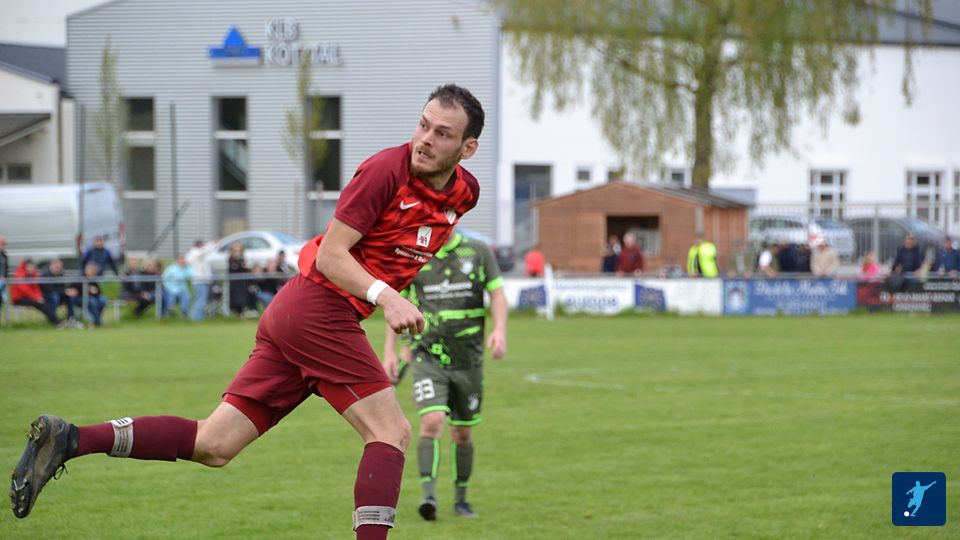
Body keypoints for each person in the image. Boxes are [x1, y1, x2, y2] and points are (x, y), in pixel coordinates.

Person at [10, 84, 484, 540]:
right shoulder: (385, 171)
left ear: (467, 148)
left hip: (299, 315)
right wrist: (387, 296)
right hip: (319, 309)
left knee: (215, 444)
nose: (425, 138)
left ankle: (72, 439)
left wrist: (394, 291)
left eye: (442, 133)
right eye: (423, 124)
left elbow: (402, 247)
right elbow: (330, 256)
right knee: (391, 431)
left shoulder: (466, 193)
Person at [381, 230, 507, 521]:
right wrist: (390, 351)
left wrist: (500, 330)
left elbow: (497, 294)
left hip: (468, 359)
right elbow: (396, 304)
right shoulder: (415, 255)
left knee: (462, 432)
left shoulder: (478, 251)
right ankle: (429, 498)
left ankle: (461, 499)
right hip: (427, 355)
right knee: (432, 420)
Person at [9, 259, 61, 326]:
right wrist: (36, 298)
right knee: (40, 304)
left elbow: (36, 288)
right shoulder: (19, 275)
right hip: (19, 299)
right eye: (29, 267)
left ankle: (56, 320)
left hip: (29, 298)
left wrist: (39, 297)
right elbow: (25, 290)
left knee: (45, 303)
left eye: (32, 267)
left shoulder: (33, 275)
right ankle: (56, 321)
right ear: (25, 267)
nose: (31, 269)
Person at [40, 258, 80, 324]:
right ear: (51, 265)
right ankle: (53, 319)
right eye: (56, 267)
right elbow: (49, 289)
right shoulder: (45, 275)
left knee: (70, 297)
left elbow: (63, 287)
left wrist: (69, 291)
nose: (58, 269)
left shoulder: (60, 274)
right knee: (55, 297)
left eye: (59, 267)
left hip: (58, 294)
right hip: (46, 296)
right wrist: (65, 291)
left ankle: (72, 318)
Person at [185, 239, 216, 321]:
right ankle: (196, 318)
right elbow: (203, 252)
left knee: (200, 299)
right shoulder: (194, 253)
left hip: (203, 280)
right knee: (200, 300)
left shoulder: (198, 254)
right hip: (199, 280)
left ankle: (196, 316)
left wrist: (212, 245)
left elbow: (207, 252)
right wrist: (211, 244)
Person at [75, 262, 107, 327]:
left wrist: (95, 291)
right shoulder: (79, 278)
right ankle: (97, 322)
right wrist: (88, 289)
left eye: (94, 271)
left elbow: (99, 292)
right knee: (93, 301)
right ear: (86, 270)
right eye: (91, 270)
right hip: (80, 298)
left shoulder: (94, 279)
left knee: (103, 299)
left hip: (93, 298)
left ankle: (95, 319)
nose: (92, 272)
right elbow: (76, 290)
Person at [0, 235, 9, 317]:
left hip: (1, 282)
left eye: (3, 244)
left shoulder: (4, 256)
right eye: (1, 244)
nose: (2, 246)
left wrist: (4, 278)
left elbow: (5, 269)